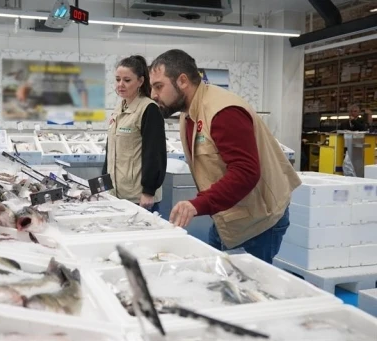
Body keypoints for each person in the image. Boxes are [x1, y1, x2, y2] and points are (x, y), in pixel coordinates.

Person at [148, 49, 302, 263]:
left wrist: (197, 204)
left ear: (182, 80)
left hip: (258, 223)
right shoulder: (188, 113)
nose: (154, 95)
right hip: (229, 218)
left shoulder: (223, 112)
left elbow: (246, 172)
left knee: (246, 291)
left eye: (158, 86)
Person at [102, 55, 167, 213]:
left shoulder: (149, 109)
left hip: (138, 198)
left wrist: (148, 191)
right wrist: (104, 183)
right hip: (116, 194)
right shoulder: (119, 108)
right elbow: (110, 151)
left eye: (127, 80)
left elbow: (155, 154)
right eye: (117, 80)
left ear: (140, 81)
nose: (120, 85)